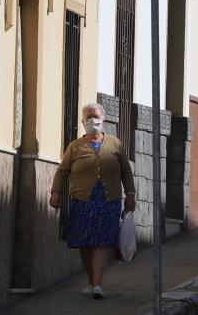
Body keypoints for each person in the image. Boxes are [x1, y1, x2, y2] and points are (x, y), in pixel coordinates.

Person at [49, 103, 136, 299]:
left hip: (108, 201)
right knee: (85, 243)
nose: (92, 121)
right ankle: (91, 280)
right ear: (82, 122)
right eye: (88, 118)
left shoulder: (115, 144)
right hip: (82, 200)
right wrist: (55, 192)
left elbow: (126, 171)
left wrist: (130, 193)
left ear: (103, 120)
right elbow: (62, 171)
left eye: (95, 117)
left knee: (101, 242)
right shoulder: (75, 146)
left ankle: (97, 284)